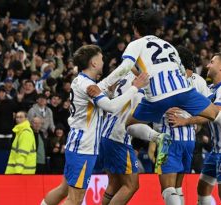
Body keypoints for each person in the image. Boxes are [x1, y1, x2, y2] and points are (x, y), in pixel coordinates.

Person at [86, 9, 221, 171]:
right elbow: (181, 71)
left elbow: (124, 67)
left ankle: (159, 138)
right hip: (183, 91)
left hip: (157, 97)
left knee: (130, 124)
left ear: (136, 29)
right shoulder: (169, 46)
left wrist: (100, 86)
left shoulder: (136, 44)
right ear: (157, 29)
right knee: (218, 115)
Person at [41, 45, 148, 205]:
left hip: (76, 142)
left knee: (63, 189)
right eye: (101, 59)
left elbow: (103, 86)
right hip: (84, 146)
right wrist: (135, 88)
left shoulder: (82, 80)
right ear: (94, 63)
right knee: (75, 199)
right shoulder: (88, 86)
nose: (103, 61)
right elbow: (111, 107)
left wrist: (111, 88)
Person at [167, 53, 221, 205]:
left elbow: (213, 114)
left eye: (212, 62)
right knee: (203, 189)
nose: (207, 65)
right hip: (216, 150)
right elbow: (194, 104)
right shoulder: (210, 88)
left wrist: (186, 121)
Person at [148, 46, 211, 205]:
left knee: (168, 190)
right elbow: (210, 114)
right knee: (178, 188)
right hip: (189, 141)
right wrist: (192, 122)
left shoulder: (165, 79)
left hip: (169, 139)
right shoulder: (199, 81)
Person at [98, 72, 143, 205]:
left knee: (115, 183)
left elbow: (110, 92)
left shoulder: (125, 74)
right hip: (118, 137)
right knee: (131, 185)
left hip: (106, 132)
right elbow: (137, 116)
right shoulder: (143, 81)